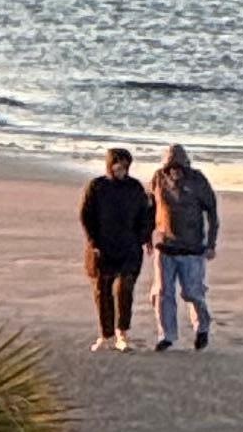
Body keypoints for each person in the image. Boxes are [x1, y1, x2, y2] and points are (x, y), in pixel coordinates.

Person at [79, 145, 156, 349]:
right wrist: (93, 242)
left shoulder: (135, 187)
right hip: (102, 248)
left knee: (124, 289)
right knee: (102, 291)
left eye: (125, 165)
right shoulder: (97, 186)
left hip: (129, 248)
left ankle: (122, 333)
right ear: (110, 165)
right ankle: (106, 335)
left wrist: (142, 237)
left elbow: (146, 216)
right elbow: (86, 215)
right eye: (117, 165)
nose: (121, 169)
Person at [150, 142, 219, 352]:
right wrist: (146, 236)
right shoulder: (158, 178)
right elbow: (150, 207)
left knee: (193, 293)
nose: (175, 171)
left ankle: (202, 327)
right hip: (165, 247)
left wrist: (211, 243)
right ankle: (166, 335)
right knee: (162, 293)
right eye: (171, 167)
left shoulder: (198, 180)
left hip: (192, 249)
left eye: (179, 167)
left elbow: (212, 211)